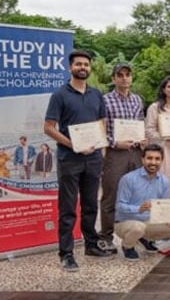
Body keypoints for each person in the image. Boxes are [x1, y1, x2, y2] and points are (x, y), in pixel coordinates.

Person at [44, 50, 113, 271]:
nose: (82, 67)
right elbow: (48, 128)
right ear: (70, 67)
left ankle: (91, 245)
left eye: (86, 64)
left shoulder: (96, 94)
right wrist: (73, 144)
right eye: (78, 64)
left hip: (92, 158)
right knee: (67, 207)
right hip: (69, 159)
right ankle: (66, 253)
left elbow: (102, 122)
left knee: (91, 204)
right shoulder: (59, 95)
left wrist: (100, 148)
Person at [99, 62, 145, 254]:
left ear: (131, 77)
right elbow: (99, 128)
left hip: (135, 152)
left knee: (138, 193)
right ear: (113, 79)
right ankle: (106, 236)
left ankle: (138, 234)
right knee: (111, 194)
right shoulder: (105, 100)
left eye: (127, 75)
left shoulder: (137, 100)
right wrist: (114, 143)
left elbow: (140, 122)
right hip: (115, 152)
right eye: (120, 75)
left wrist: (142, 139)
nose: (124, 78)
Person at [114, 144, 170, 262]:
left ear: (162, 161)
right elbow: (119, 206)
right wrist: (138, 209)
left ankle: (146, 239)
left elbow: (163, 206)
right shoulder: (128, 179)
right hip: (125, 222)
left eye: (157, 159)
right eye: (149, 158)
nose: (153, 162)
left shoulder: (165, 181)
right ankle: (127, 246)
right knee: (138, 228)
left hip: (148, 221)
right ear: (143, 159)